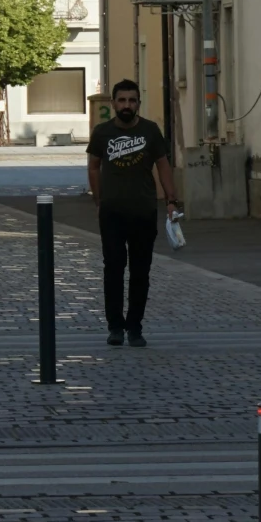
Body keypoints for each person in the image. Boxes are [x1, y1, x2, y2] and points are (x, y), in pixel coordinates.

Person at [86, 77, 180, 347]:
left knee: (141, 272)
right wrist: (98, 200)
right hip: (112, 213)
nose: (127, 105)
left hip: (144, 211)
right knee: (113, 269)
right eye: (122, 100)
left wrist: (171, 201)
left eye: (132, 100)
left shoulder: (150, 131)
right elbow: (93, 166)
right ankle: (115, 327)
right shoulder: (102, 132)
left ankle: (135, 327)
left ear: (138, 103)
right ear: (114, 103)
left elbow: (162, 165)